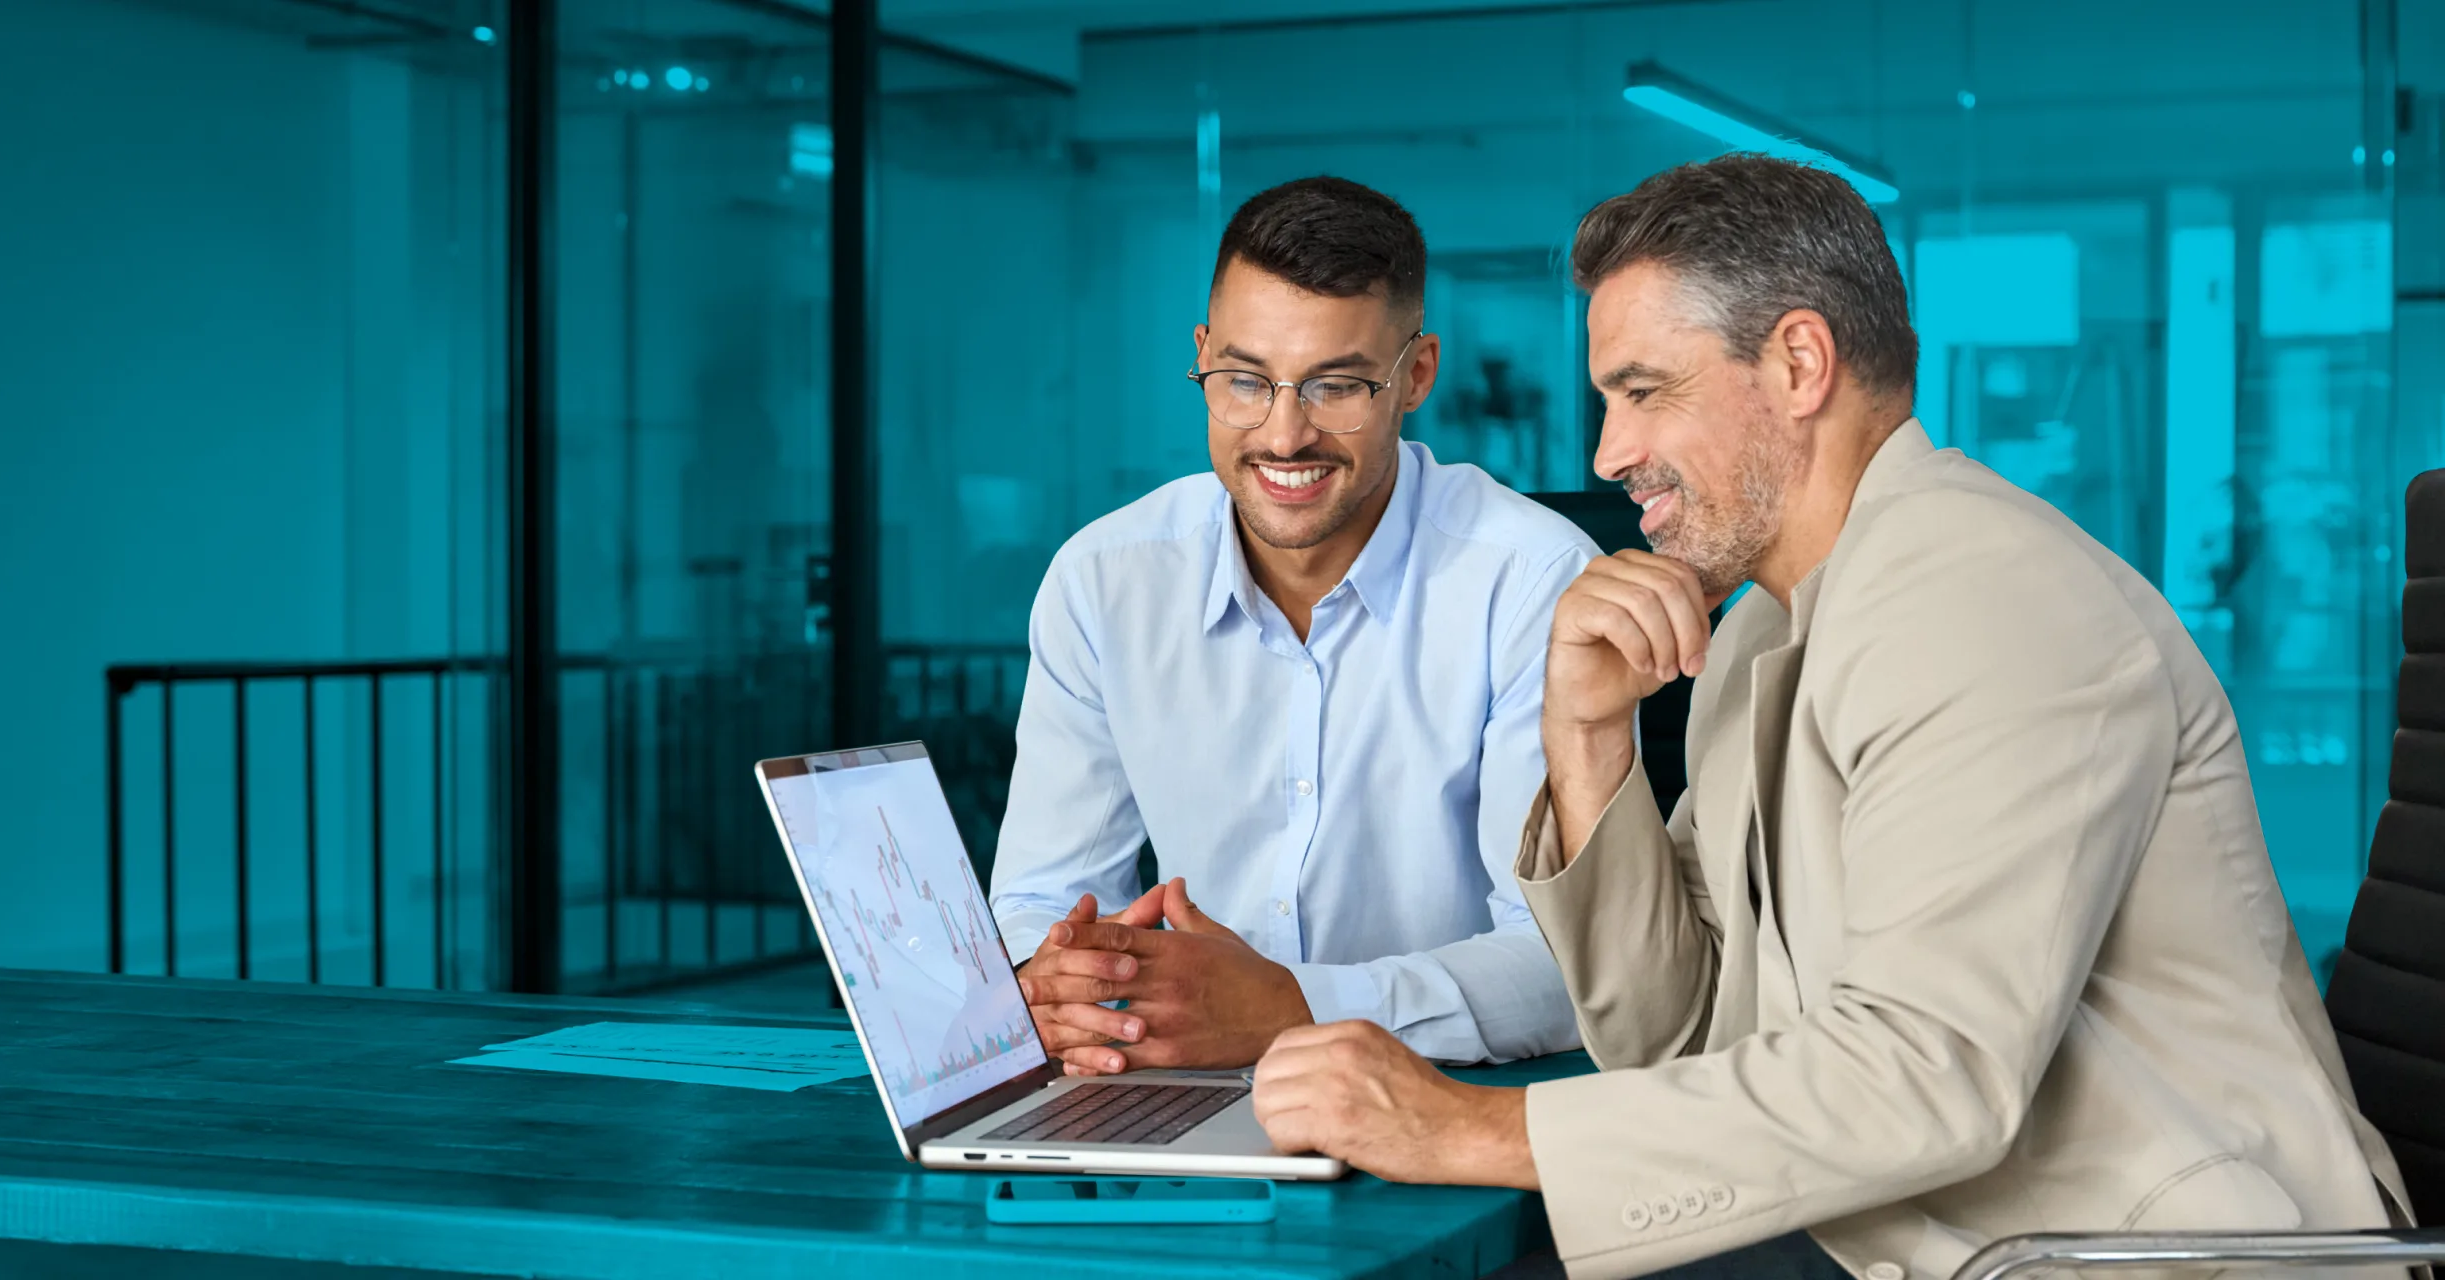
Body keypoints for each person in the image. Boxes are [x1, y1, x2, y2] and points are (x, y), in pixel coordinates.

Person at [1249, 154, 2414, 1280]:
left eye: (1645, 391)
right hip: (1923, 1241)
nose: (1611, 454)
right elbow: (1677, 1032)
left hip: (2144, 1257)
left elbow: (1924, 1077)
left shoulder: (1986, 598)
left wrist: (1460, 1129)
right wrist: (1592, 741)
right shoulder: (1771, 626)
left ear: (1800, 361)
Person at [987, 176, 1593, 1074]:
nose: (1282, 435)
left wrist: (1288, 1011)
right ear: (1202, 355)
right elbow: (1042, 902)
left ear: (1415, 375)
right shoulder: (1105, 581)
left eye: (1336, 386)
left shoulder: (1531, 580)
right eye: (1243, 381)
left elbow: (1565, 966)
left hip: (1445, 1107)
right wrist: (1068, 986)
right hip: (1165, 1082)